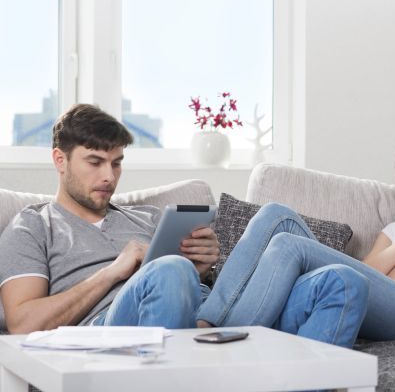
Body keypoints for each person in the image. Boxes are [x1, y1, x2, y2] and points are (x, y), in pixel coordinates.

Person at [0, 104, 368, 348]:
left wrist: (203, 270)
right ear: (59, 160)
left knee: (341, 282)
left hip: (201, 314)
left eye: (117, 163)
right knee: (170, 270)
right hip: (112, 334)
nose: (109, 176)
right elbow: (22, 323)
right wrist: (115, 272)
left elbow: (190, 280)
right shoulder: (32, 225)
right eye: (95, 162)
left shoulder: (147, 218)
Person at [196, 120, 395, 345]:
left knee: (290, 245)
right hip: (390, 300)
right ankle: (206, 320)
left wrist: (391, 268)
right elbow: (366, 273)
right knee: (275, 214)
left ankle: (223, 335)